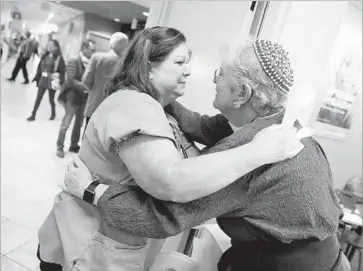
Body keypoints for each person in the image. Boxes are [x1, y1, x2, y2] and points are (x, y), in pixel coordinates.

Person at [63, 39, 346, 271]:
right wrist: (161, 95)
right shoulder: (276, 121)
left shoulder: (251, 153)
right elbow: (202, 126)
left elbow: (162, 217)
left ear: (242, 93)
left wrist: (90, 190)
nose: (213, 79)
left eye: (220, 74)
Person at [55, 39, 96, 158]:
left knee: (79, 124)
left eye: (93, 50)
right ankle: (59, 146)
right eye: (90, 49)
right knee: (66, 123)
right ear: (84, 48)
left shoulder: (91, 62)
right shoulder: (74, 60)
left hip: (83, 98)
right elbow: (70, 80)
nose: (92, 52)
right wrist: (86, 87)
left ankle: (73, 145)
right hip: (72, 96)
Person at [82, 32, 129, 131]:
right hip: (114, 111)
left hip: (94, 105)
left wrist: (94, 91)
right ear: (125, 47)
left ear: (111, 43)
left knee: (88, 138)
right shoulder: (126, 65)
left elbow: (86, 81)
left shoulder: (97, 58)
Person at [26, 39, 65, 121]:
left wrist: (61, 81)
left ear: (56, 47)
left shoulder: (59, 58)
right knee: (38, 97)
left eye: (52, 45)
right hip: (43, 80)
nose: (49, 47)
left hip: (52, 81)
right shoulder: (45, 56)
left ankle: (53, 113)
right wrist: (36, 77)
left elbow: (62, 71)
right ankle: (33, 114)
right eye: (48, 45)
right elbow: (39, 68)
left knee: (51, 99)